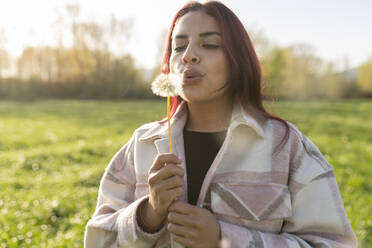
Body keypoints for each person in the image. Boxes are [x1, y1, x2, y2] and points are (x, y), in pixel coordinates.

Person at [84, 1, 358, 247]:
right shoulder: (141, 145)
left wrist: (224, 239)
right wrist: (147, 215)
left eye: (210, 44)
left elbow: (333, 244)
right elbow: (97, 239)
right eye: (178, 47)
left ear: (237, 60)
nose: (188, 55)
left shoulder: (285, 146)